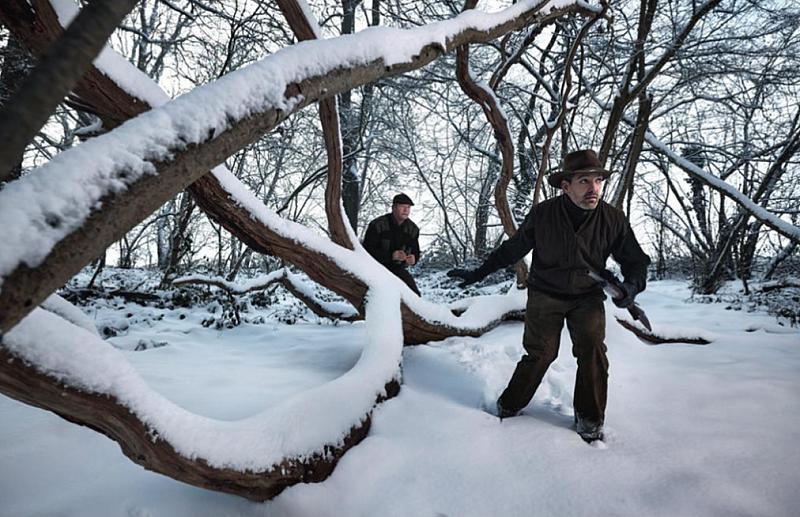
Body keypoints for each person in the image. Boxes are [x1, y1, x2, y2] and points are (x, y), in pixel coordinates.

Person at [448, 149, 650, 442]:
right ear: (566, 186)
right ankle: (509, 406)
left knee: (593, 351)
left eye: (597, 180)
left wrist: (631, 286)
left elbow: (636, 260)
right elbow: (514, 249)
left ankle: (590, 420)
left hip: (587, 295)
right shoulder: (543, 214)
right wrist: (478, 273)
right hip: (546, 294)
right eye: (584, 181)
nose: (593, 188)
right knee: (541, 353)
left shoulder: (613, 219)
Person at [362, 193, 422, 295]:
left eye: (408, 207)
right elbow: (367, 250)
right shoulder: (377, 225)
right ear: (394, 207)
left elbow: (415, 251)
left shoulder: (412, 229)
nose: (406, 210)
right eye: (402, 207)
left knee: (414, 295)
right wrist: (391, 256)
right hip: (374, 269)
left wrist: (413, 258)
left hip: (398, 270)